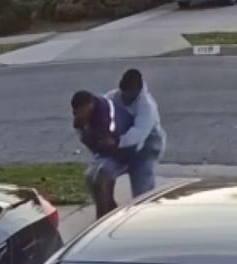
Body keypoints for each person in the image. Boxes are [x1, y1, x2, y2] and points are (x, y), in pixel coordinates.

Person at [71, 90, 135, 218]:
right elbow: (90, 143)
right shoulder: (80, 118)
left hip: (124, 149)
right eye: (77, 112)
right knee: (90, 177)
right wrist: (85, 131)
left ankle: (101, 217)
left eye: (82, 112)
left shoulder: (104, 114)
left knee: (102, 177)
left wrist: (92, 136)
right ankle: (111, 211)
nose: (80, 115)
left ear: (90, 105)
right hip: (105, 152)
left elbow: (111, 140)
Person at [105, 69, 166, 197]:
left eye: (130, 95)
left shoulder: (147, 107)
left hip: (146, 148)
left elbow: (138, 133)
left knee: (142, 192)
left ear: (138, 91)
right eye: (123, 94)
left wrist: (116, 141)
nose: (126, 98)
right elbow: (101, 106)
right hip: (119, 146)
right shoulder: (112, 97)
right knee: (100, 176)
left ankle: (144, 211)